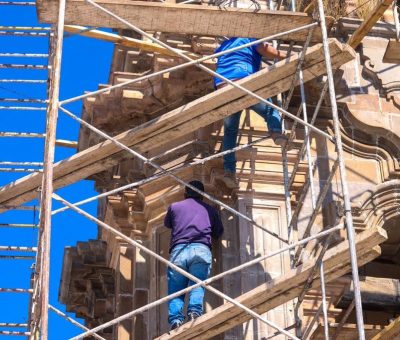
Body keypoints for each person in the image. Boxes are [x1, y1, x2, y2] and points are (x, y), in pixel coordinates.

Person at [214, 37, 289, 189]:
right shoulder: (247, 37)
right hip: (243, 79)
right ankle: (276, 132)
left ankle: (229, 171)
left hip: (223, 85)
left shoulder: (223, 46)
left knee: (230, 131)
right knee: (269, 107)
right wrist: (288, 57)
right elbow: (267, 50)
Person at [164, 180, 224, 330]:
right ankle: (194, 312)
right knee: (198, 284)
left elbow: (168, 224)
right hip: (200, 248)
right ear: (202, 195)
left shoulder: (175, 207)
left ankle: (176, 320)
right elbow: (218, 232)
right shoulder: (210, 210)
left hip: (179, 250)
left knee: (176, 289)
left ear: (185, 194)